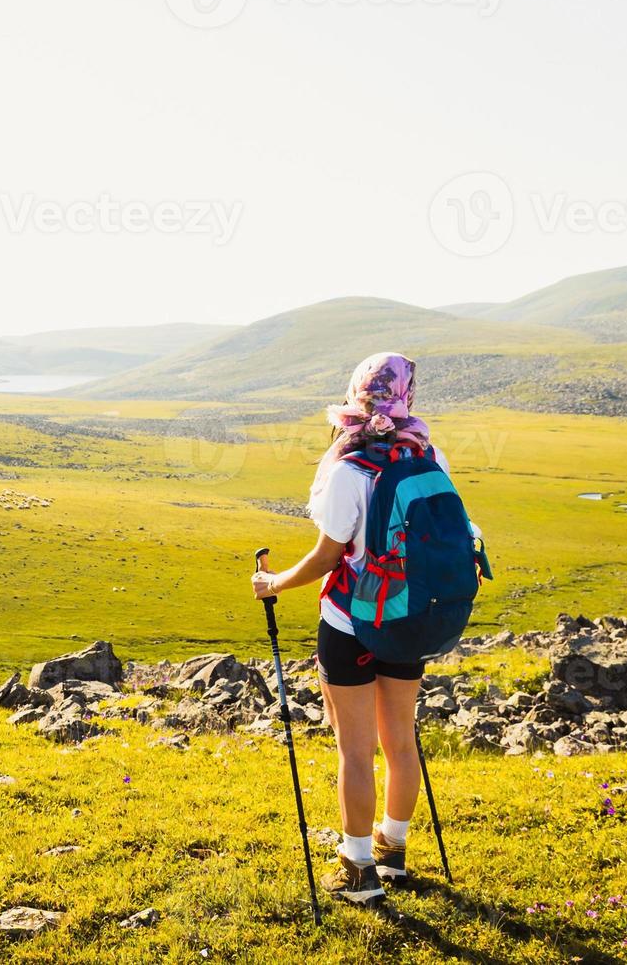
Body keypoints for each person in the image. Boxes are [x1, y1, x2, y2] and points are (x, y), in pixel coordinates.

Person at [250, 352, 443, 907]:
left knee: (355, 751)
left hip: (350, 622)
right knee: (401, 742)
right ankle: (394, 852)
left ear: (356, 393)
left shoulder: (347, 467)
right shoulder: (429, 454)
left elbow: (328, 555)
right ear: (407, 394)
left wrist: (275, 583)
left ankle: (359, 870)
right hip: (409, 615)